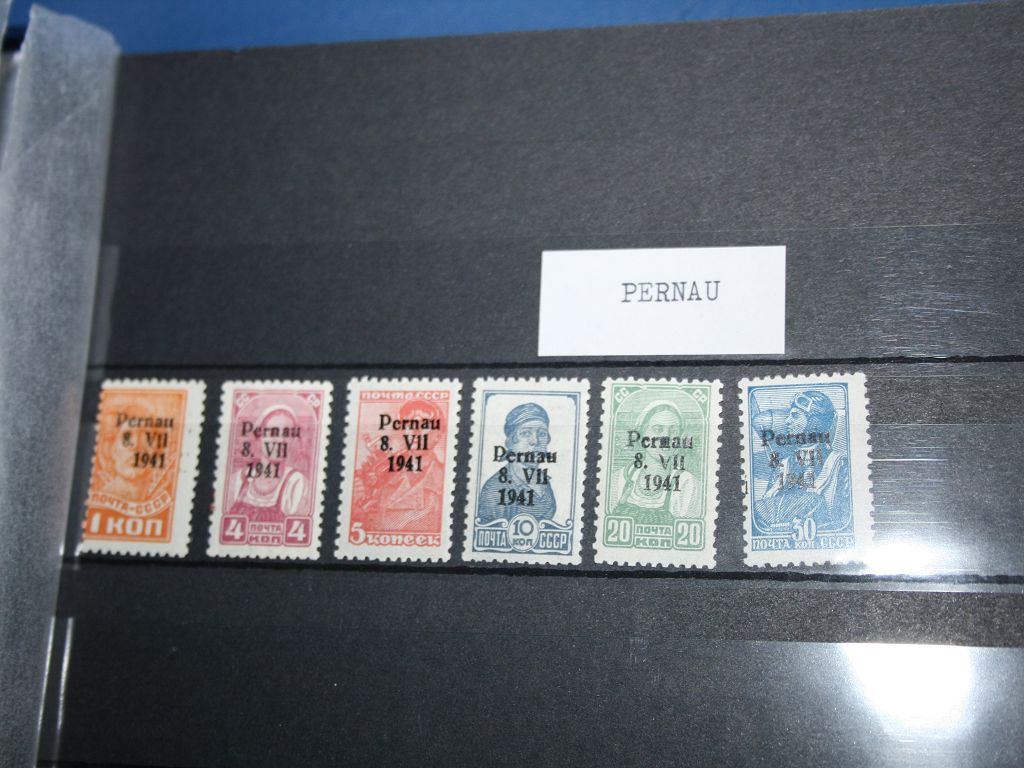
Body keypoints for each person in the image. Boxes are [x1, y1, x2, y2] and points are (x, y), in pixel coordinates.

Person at [753, 390, 850, 533]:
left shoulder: (839, 464)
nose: (787, 421)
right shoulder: (783, 466)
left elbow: (844, 519)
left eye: (795, 415)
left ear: (814, 422)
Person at [353, 398, 446, 532]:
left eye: (424, 425)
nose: (415, 431)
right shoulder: (383, 473)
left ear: (438, 435)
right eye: (409, 424)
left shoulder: (445, 479)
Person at [612, 400, 700, 525]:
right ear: (642, 436)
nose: (666, 437)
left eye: (673, 431)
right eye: (658, 429)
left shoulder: (688, 483)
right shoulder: (619, 479)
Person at [477, 402, 556, 523]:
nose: (535, 441)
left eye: (542, 434)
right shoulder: (494, 489)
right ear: (510, 442)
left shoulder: (544, 483)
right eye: (526, 433)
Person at [228, 404, 308, 523]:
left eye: (287, 434)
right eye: (273, 432)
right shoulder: (238, 480)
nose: (280, 440)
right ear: (259, 436)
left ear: (292, 440)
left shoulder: (296, 483)